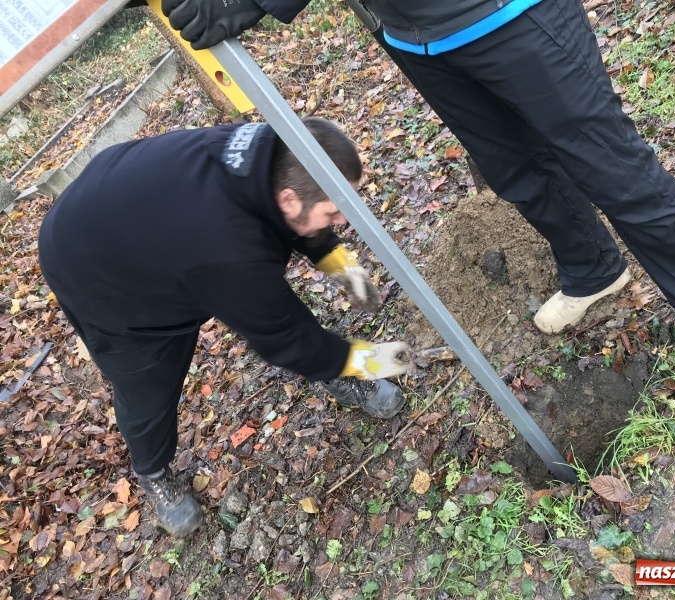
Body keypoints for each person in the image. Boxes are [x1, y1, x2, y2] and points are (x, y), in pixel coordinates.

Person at [159, 0, 675, 405]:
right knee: (520, 173)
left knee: (613, 168)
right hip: (418, 37)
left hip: (510, 14)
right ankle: (594, 270)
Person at [38, 117, 410, 537]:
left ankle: (334, 371)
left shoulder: (271, 148)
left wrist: (343, 269)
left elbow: (296, 210)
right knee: (146, 385)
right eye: (334, 212)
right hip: (92, 269)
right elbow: (286, 338)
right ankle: (152, 469)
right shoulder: (228, 253)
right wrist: (373, 359)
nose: (342, 220)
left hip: (130, 200)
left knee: (264, 288)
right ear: (289, 200)